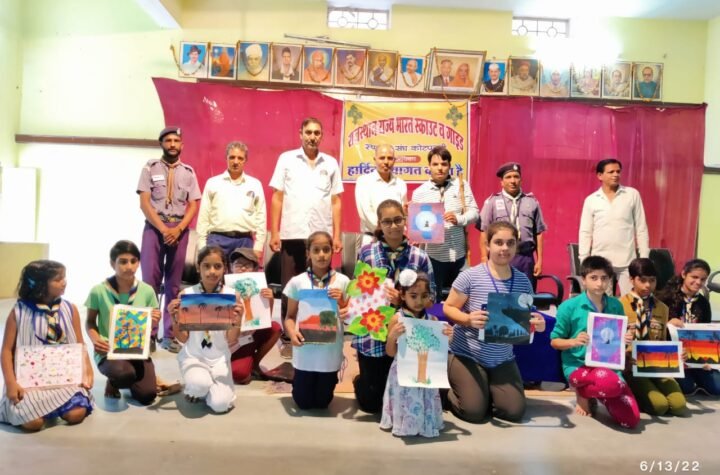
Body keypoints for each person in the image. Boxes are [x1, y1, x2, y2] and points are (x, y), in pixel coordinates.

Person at [443, 222, 546, 423]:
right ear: (487, 245)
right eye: (498, 242)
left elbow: (528, 318)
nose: (505, 248)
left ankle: (484, 391)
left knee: (514, 412)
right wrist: (467, 319)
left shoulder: (523, 281)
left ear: (516, 246)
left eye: (510, 243)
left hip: (502, 359)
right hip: (467, 355)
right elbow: (448, 307)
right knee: (473, 412)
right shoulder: (470, 276)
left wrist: (538, 323)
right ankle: (446, 392)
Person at [354, 199, 435, 413]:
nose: (393, 226)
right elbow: (358, 291)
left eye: (398, 220)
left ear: (405, 220)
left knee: (402, 396)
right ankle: (360, 382)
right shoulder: (367, 253)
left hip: (406, 334)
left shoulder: (419, 257)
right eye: (387, 222)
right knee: (372, 405)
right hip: (373, 333)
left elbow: (432, 297)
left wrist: (406, 301)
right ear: (379, 224)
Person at [269, 117, 343, 354]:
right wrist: (275, 231)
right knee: (291, 287)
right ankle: (288, 338)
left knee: (320, 286)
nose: (312, 137)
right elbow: (277, 197)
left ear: (322, 136)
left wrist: (337, 235)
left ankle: (319, 333)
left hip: (321, 237)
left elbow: (336, 201)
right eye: (308, 132)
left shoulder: (330, 163)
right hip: (292, 233)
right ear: (300, 133)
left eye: (317, 133)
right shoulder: (286, 159)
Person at [0, 260, 93, 431]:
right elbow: (6, 351)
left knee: (76, 414)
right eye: (58, 279)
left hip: (64, 379)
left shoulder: (70, 309)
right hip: (29, 382)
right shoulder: (19, 312)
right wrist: (11, 383)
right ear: (40, 285)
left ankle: (55, 406)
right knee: (33, 423)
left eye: (64, 277)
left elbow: (80, 344)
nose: (64, 282)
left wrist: (87, 371)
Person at [550, 256, 640, 429]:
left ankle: (595, 392)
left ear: (610, 280)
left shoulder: (615, 305)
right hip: (578, 366)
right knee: (610, 383)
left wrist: (625, 338)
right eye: (594, 278)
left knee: (631, 419)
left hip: (608, 366)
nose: (599, 283)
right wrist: (574, 341)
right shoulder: (569, 307)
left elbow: (616, 341)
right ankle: (582, 392)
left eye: (604, 278)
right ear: (583, 280)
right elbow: (554, 341)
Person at [137, 126, 201, 353]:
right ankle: (149, 335)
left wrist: (179, 228)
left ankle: (170, 334)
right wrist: (164, 229)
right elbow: (144, 203)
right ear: (161, 144)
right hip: (155, 228)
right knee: (149, 283)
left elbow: (193, 204)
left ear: (181, 145)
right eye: (168, 141)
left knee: (174, 284)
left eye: (176, 141)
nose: (172, 144)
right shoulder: (149, 167)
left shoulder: (189, 172)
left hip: (179, 230)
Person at [86, 240, 164, 405]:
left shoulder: (147, 290)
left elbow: (149, 326)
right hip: (109, 350)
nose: (129, 266)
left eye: (133, 261)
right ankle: (114, 381)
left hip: (137, 350)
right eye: (123, 262)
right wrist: (96, 340)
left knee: (147, 395)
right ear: (112, 263)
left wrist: (154, 320)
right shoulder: (98, 291)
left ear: (139, 263)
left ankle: (133, 377)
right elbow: (90, 322)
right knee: (123, 374)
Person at [168, 246, 243, 413]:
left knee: (220, 405)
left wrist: (238, 320)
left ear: (225, 268)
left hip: (219, 359)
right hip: (194, 356)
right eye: (206, 266)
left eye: (218, 266)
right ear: (198, 267)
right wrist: (174, 318)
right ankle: (197, 386)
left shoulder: (232, 296)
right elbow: (183, 338)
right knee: (199, 385)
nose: (212, 271)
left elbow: (231, 339)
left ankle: (207, 388)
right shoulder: (187, 294)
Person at [380, 269, 453, 437]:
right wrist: (392, 337)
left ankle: (425, 423)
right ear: (403, 295)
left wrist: (448, 338)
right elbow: (390, 353)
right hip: (402, 372)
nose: (419, 301)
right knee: (404, 398)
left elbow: (438, 352)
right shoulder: (397, 319)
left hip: (426, 372)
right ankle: (403, 423)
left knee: (425, 395)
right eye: (413, 296)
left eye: (424, 296)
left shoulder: (433, 321)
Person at [283, 231, 350, 409]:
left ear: (332, 251)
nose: (321, 255)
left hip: (330, 352)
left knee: (323, 402)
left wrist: (342, 302)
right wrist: (292, 333)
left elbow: (350, 317)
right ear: (308, 253)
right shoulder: (297, 282)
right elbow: (290, 316)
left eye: (326, 249)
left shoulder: (343, 282)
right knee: (303, 402)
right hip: (305, 350)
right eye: (316, 250)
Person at [620, 258, 687, 416]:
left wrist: (677, 355)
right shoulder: (619, 305)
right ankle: (634, 395)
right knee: (659, 406)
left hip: (656, 366)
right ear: (631, 279)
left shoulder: (662, 308)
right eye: (642, 280)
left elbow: (662, 341)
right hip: (631, 368)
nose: (648, 285)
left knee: (679, 406)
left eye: (652, 280)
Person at [412, 146, 478, 302]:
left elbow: (475, 212)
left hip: (459, 256)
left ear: (449, 165)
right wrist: (415, 232)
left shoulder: (461, 186)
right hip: (434, 257)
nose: (440, 168)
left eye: (444, 164)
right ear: (429, 166)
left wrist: (459, 219)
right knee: (432, 299)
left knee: (464, 298)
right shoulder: (419, 192)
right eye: (435, 164)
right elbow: (418, 224)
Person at [579, 158, 649, 296]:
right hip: (601, 263)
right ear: (600, 175)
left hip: (627, 261)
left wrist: (644, 258)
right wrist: (584, 260)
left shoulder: (631, 194)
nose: (616, 175)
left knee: (631, 302)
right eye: (611, 172)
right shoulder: (591, 200)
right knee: (602, 302)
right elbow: (585, 232)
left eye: (618, 171)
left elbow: (641, 228)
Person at [478, 162, 546, 289]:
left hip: (525, 258)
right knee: (500, 292)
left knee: (524, 295)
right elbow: (484, 231)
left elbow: (539, 233)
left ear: (521, 180)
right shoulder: (492, 202)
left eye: (516, 177)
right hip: (500, 255)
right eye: (508, 177)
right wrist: (484, 257)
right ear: (502, 182)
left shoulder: (532, 202)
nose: (513, 181)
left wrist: (539, 260)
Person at [657, 259, 719, 395]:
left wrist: (708, 359)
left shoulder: (703, 303)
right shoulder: (665, 298)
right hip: (672, 356)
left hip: (696, 358)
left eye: (702, 279)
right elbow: (653, 328)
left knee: (717, 387)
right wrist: (667, 323)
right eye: (694, 277)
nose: (698, 282)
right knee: (686, 387)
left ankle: (697, 377)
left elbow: (706, 334)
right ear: (684, 274)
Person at [196, 141, 267, 262]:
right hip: (217, 240)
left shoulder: (255, 184)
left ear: (245, 160)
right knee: (216, 274)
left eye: (240, 158)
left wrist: (259, 245)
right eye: (232, 157)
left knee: (243, 275)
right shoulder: (213, 183)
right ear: (226, 158)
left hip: (244, 241)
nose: (235, 161)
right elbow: (203, 216)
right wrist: (202, 245)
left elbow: (261, 216)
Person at [226, 247, 284, 384]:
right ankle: (239, 361)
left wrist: (270, 300)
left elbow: (265, 322)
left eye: (247, 265)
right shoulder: (224, 289)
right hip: (232, 342)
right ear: (231, 267)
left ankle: (254, 363)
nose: (242, 268)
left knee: (275, 328)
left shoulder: (261, 289)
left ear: (255, 269)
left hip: (250, 336)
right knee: (240, 376)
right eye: (238, 264)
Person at [355, 143, 407, 250]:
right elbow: (366, 214)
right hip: (372, 239)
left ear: (394, 160)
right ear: (375, 159)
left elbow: (403, 213)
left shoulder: (401, 183)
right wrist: (386, 232)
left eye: (390, 158)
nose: (386, 162)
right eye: (382, 158)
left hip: (396, 241)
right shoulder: (364, 181)